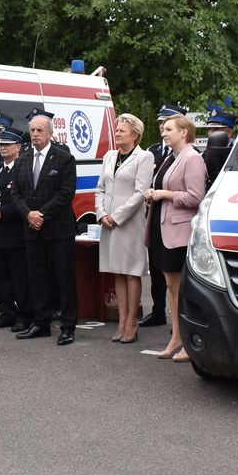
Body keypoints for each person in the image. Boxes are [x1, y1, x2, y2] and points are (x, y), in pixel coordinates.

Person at [9, 112, 78, 345]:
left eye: (40, 131)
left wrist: (42, 214)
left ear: (50, 133)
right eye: (32, 131)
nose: (35, 135)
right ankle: (41, 323)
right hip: (32, 229)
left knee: (63, 278)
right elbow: (15, 192)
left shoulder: (63, 158)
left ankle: (68, 326)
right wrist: (28, 213)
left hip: (59, 229)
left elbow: (66, 192)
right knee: (36, 278)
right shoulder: (22, 159)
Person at [144, 114, 206, 362]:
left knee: (179, 289)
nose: (163, 133)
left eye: (169, 129)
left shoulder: (192, 158)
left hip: (179, 232)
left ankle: (185, 341)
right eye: (163, 129)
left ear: (184, 132)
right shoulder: (171, 157)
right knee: (172, 287)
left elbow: (195, 198)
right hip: (162, 227)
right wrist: (153, 193)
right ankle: (177, 339)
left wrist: (164, 194)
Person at [94, 113, 154, 344]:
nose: (117, 132)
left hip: (129, 222)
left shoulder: (144, 157)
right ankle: (121, 320)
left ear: (135, 135)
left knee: (131, 272)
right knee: (117, 271)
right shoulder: (109, 156)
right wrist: (101, 214)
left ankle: (131, 323)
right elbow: (100, 188)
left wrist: (117, 217)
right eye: (116, 129)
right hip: (108, 222)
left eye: (122, 130)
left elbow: (140, 193)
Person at [141, 104, 187, 327]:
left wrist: (163, 193)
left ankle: (179, 322)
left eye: (167, 124)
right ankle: (158, 311)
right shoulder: (153, 150)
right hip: (155, 214)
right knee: (156, 268)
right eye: (160, 124)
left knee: (175, 276)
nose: (162, 128)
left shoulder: (188, 155)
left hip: (175, 219)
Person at [0, 127, 32, 333]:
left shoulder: (23, 168)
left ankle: (24, 315)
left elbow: (26, 200)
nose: (3, 148)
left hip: (16, 231)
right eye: (1, 144)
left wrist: (2, 212)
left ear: (18, 147)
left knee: (20, 277)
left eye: (8, 144)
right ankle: (6, 313)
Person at [202, 110, 237, 185]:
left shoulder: (235, 154)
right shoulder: (202, 155)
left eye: (215, 129)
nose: (210, 133)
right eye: (209, 129)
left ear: (229, 132)